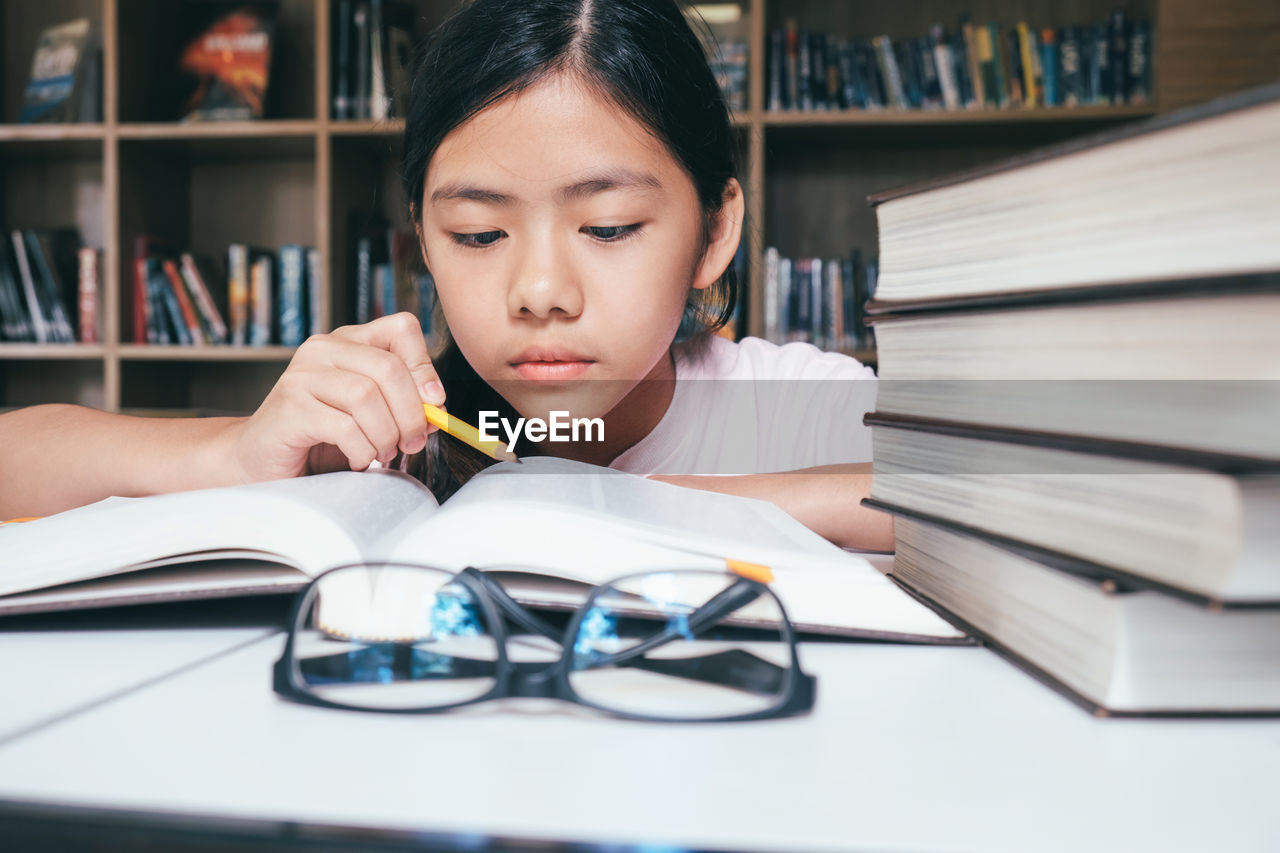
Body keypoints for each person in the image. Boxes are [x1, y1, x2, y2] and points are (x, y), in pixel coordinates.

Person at [0, 0, 891, 551]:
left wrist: (639, 504)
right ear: (423, 240)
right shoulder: (407, 429)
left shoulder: (784, 403)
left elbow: (1013, 492)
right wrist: (235, 454)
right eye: (477, 232)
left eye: (608, 225)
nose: (540, 290)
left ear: (714, 232)